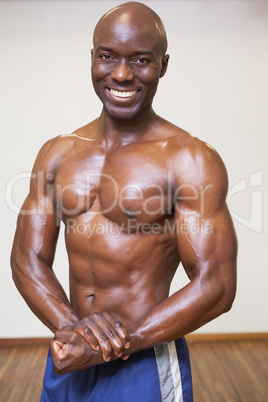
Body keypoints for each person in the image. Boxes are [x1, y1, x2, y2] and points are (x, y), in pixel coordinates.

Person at [11, 2, 237, 401]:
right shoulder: (58, 152)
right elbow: (26, 258)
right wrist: (73, 331)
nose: (120, 73)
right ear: (93, 59)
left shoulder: (189, 158)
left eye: (141, 60)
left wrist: (114, 343)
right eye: (107, 56)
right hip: (71, 351)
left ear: (163, 66)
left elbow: (216, 284)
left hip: (143, 358)